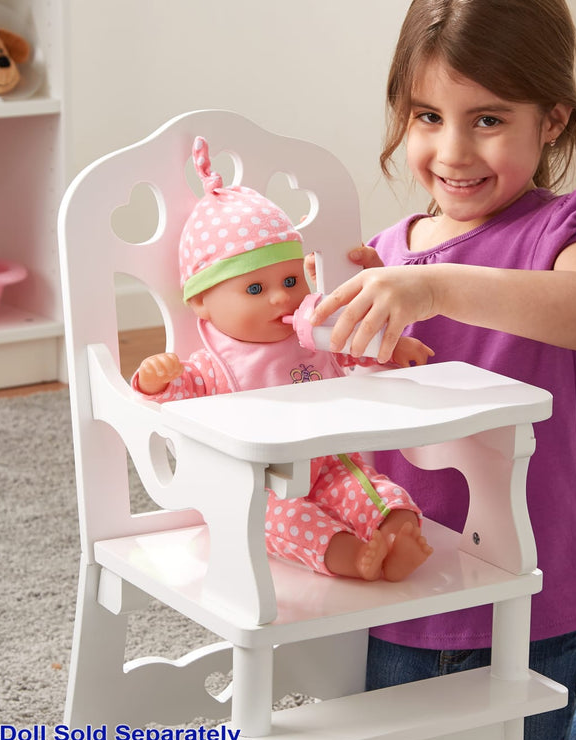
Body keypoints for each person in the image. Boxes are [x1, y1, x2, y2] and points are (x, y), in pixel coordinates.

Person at [307, 0, 576, 740]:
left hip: (530, 588)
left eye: (487, 119)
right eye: (426, 117)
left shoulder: (566, 231)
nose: (452, 152)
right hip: (398, 586)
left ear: (553, 121)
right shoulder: (383, 255)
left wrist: (437, 286)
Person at [132, 135, 434, 583]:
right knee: (283, 522)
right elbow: (178, 396)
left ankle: (397, 533)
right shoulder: (215, 364)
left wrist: (391, 351)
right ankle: (352, 556)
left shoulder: (314, 337)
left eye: (291, 279)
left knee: (375, 491)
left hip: (331, 462)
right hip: (256, 485)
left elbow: (356, 354)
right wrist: (156, 378)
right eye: (255, 289)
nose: (281, 297)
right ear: (201, 304)